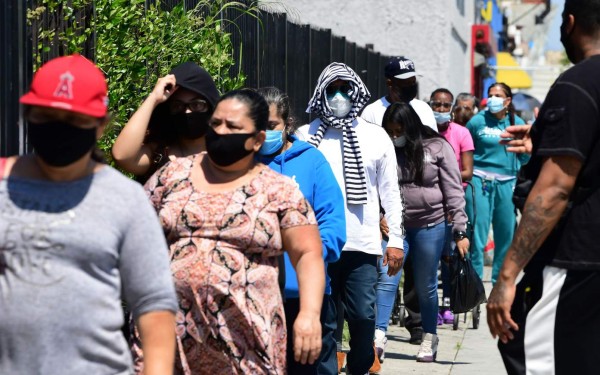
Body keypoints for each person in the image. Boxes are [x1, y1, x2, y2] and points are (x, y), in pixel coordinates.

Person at [0, 54, 178, 374]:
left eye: (75, 121)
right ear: (27, 114)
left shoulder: (126, 200)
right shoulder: (3, 183)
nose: (60, 129)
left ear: (101, 126)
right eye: (48, 116)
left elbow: (154, 305)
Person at [135, 88, 326, 374]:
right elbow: (136, 238)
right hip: (168, 339)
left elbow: (308, 252)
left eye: (233, 127)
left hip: (245, 346)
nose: (221, 132)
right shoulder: (172, 176)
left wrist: (309, 315)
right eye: (216, 124)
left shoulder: (278, 191)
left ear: (257, 140)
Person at [487, 1, 600, 373]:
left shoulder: (579, 82)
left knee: (530, 353)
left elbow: (553, 191)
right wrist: (547, 141)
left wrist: (506, 278)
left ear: (569, 24)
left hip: (576, 264)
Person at [297, 62, 405, 375]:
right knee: (326, 319)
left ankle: (359, 367)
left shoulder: (376, 137)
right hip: (319, 244)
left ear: (356, 91)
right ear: (322, 93)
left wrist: (395, 240)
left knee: (362, 316)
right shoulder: (305, 136)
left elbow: (391, 194)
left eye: (346, 88)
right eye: (333, 89)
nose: (340, 95)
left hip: (363, 244)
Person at [256, 87, 346, 375]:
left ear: (287, 125)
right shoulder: (240, 164)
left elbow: (333, 222)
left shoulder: (312, 161)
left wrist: (309, 255)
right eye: (257, 126)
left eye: (271, 126)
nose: (263, 133)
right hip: (257, 298)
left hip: (306, 297)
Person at [377, 102, 469, 363]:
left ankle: (430, 336)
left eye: (399, 130)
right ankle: (378, 335)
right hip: (396, 227)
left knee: (426, 285)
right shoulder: (384, 148)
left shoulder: (437, 146)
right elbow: (374, 186)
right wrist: (378, 215)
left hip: (431, 225)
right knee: (386, 278)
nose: (395, 136)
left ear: (411, 126)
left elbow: (453, 188)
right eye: (390, 131)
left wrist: (460, 230)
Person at [465, 82, 530, 284]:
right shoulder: (477, 122)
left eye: (497, 95)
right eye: (490, 95)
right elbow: (466, 151)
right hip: (479, 181)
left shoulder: (516, 122)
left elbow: (525, 158)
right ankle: (474, 285)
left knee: (505, 235)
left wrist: (527, 154)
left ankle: (499, 284)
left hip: (507, 183)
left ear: (507, 101)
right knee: (477, 234)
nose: (492, 99)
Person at [112, 61, 219, 181]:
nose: (187, 112)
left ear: (212, 107)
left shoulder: (227, 155)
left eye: (197, 105)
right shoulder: (158, 155)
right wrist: (154, 98)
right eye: (178, 106)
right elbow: (122, 156)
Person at [428, 88, 475, 326]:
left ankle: (447, 300)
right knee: (430, 256)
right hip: (429, 200)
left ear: (452, 108)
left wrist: (444, 177)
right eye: (437, 104)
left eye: (446, 105)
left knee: (448, 255)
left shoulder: (461, 133)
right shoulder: (423, 132)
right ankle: (430, 305)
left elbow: (467, 170)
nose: (441, 109)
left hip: (453, 198)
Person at [361, 56, 437, 132]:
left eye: (413, 82)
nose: (410, 86)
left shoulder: (424, 109)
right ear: (389, 83)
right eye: (406, 82)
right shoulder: (371, 112)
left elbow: (433, 141)